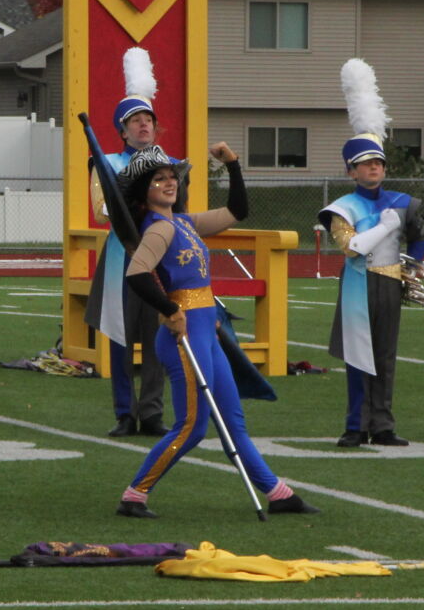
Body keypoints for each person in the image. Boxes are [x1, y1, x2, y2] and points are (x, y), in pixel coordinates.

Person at [115, 142, 316, 517]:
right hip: (183, 336)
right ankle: (134, 495)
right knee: (192, 426)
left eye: (172, 177)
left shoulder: (183, 222)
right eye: (159, 179)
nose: (169, 183)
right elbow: (137, 275)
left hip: (206, 331)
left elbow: (237, 210)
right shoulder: (158, 230)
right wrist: (169, 309)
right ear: (144, 191)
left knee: (231, 419)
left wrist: (234, 166)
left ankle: (278, 494)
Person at [319, 58, 424, 447]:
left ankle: (382, 425)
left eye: (378, 162)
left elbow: (420, 235)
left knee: (385, 356)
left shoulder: (403, 201)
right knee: (357, 357)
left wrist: (415, 266)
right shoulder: (341, 208)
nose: (373, 169)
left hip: (389, 282)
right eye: (365, 164)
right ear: (351, 171)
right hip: (357, 284)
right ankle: (354, 425)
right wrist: (384, 227)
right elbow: (350, 247)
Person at [85, 47, 172, 437]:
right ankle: (125, 412)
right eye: (134, 121)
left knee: (159, 335)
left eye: (147, 120)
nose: (143, 126)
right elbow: (101, 211)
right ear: (122, 130)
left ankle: (152, 411)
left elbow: (179, 212)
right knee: (120, 336)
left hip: (161, 258)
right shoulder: (106, 163)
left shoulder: (168, 164)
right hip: (123, 255)